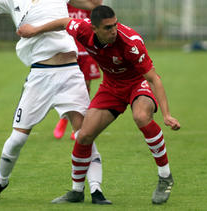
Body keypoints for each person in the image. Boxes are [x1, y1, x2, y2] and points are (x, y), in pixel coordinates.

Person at [18, 5, 181, 204]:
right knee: (84, 135)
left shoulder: (131, 43)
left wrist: (166, 115)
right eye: (107, 28)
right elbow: (63, 22)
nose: (114, 30)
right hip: (111, 86)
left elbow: (154, 79)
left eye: (115, 25)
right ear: (94, 28)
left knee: (141, 116)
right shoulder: (83, 29)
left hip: (136, 84)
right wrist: (34, 30)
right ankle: (77, 191)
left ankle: (165, 177)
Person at [0, 0, 111, 204]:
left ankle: (96, 191)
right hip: (39, 77)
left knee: (84, 135)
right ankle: (0, 182)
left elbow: (95, 3)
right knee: (17, 139)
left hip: (70, 74)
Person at [54, 3, 102, 140]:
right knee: (65, 84)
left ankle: (80, 123)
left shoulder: (87, 3)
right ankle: (65, 119)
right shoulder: (64, 3)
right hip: (68, 48)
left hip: (86, 48)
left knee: (85, 85)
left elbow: (98, 5)